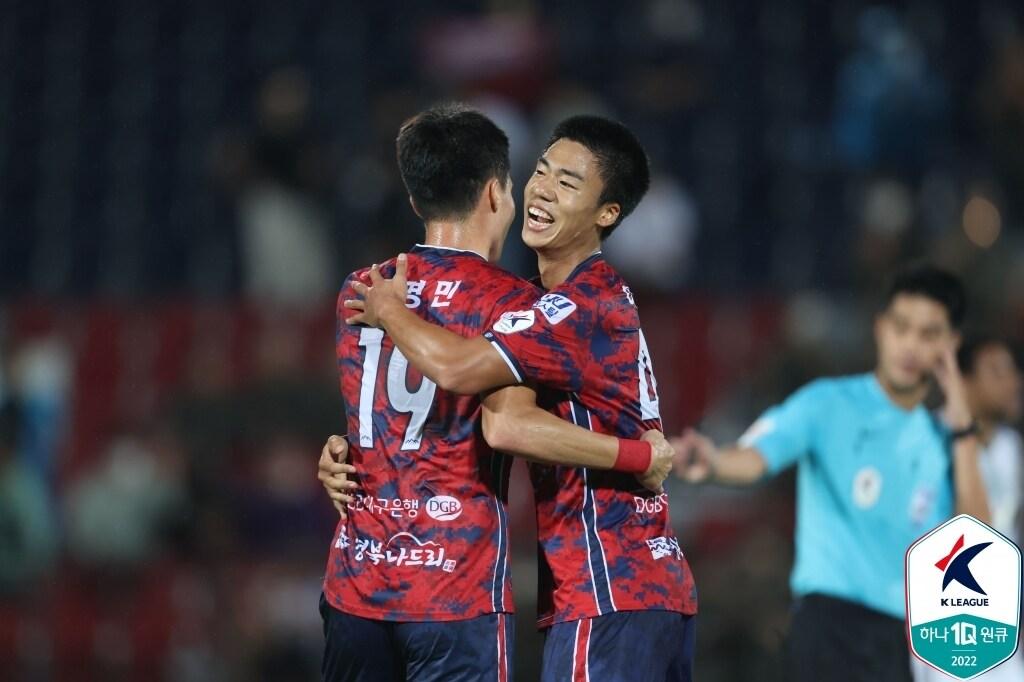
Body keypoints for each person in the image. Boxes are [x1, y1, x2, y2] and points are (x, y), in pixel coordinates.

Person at [320, 104, 674, 682]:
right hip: (456, 587)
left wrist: (339, 453)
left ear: (415, 201)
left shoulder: (362, 288)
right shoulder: (514, 304)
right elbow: (505, 424)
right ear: (495, 193)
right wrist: (641, 455)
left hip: (356, 581)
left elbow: (377, 420)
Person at [671, 265, 990, 682]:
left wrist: (963, 427)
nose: (910, 345)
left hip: (902, 643)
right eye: (901, 327)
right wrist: (712, 462)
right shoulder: (827, 404)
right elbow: (755, 458)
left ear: (951, 344)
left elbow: (979, 541)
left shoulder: (947, 443)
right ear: (880, 328)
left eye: (929, 334)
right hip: (828, 627)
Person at [912, 335, 1023, 681]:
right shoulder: (926, 439)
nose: (1013, 383)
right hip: (945, 617)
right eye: (996, 372)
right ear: (964, 382)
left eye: (1013, 372)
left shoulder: (1011, 447)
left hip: (1000, 622)